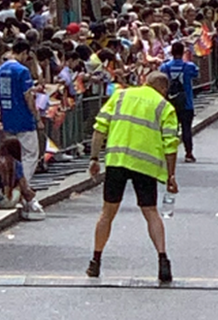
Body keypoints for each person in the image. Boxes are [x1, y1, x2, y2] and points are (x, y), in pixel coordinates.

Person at [87, 72, 180, 282]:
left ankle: (95, 261)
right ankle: (163, 259)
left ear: (145, 81)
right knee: (151, 212)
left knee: (107, 212)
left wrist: (94, 158)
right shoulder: (164, 107)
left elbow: (99, 129)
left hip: (117, 161)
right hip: (145, 166)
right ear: (163, 89)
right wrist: (171, 175)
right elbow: (170, 144)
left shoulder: (120, 96)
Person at [0, 40, 45, 219]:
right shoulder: (22, 71)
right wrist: (37, 118)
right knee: (30, 154)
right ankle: (22, 187)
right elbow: (28, 97)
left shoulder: (1, 70)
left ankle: (15, 186)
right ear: (24, 52)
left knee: (12, 154)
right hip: (24, 119)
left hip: (8, 118)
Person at [159, 42, 200, 163]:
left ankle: (169, 153)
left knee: (171, 130)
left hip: (170, 103)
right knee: (186, 129)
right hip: (186, 102)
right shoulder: (189, 66)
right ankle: (189, 153)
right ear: (183, 52)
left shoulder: (165, 67)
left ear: (171, 52)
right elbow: (196, 75)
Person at [0, 140, 40, 218]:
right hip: (5, 201)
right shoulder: (16, 164)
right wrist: (32, 198)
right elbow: (24, 188)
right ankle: (25, 207)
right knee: (19, 185)